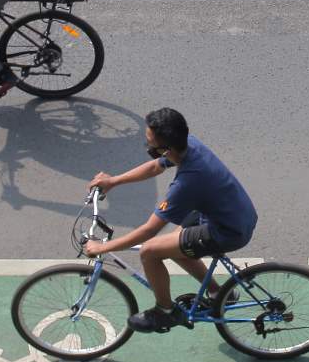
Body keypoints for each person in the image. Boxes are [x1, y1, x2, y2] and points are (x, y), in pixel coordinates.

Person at [83, 108, 259, 335]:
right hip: (230, 212)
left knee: (150, 251)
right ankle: (219, 294)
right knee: (174, 244)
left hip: (228, 230)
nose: (147, 147)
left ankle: (165, 311)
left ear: (166, 148)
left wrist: (103, 247)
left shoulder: (187, 182)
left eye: (149, 144)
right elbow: (156, 166)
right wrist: (113, 181)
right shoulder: (188, 145)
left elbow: (148, 230)